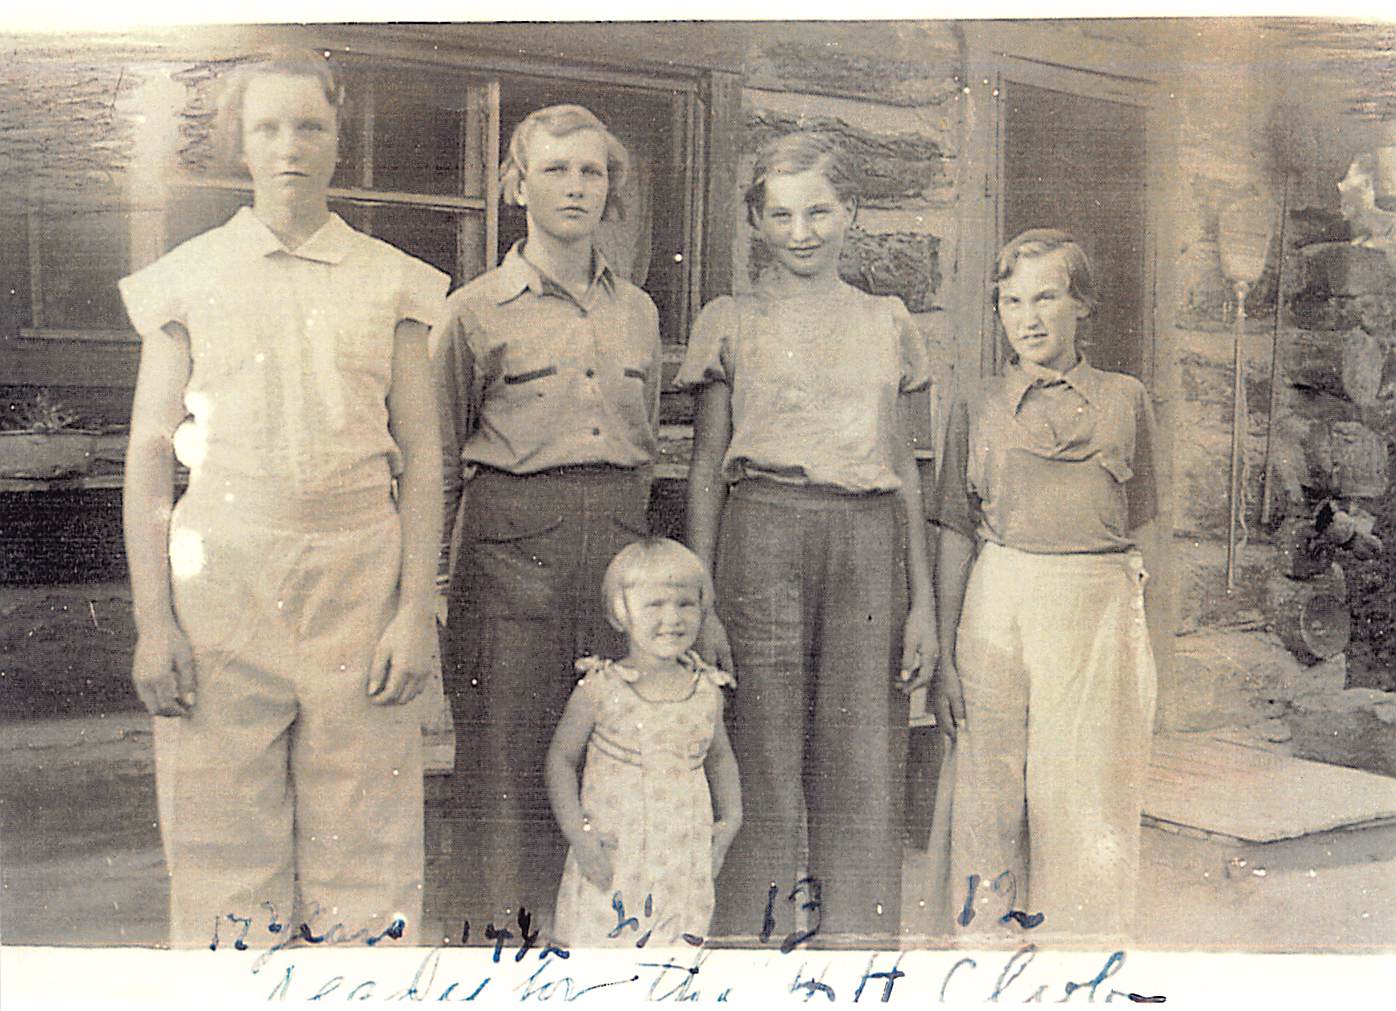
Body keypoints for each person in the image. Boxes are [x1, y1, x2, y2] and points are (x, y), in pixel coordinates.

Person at [118, 49, 447, 947]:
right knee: (222, 852)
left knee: (368, 853)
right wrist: (155, 621)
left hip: (359, 578)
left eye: (311, 126)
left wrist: (413, 611)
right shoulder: (190, 275)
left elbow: (424, 457)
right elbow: (149, 452)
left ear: (339, 141)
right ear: (239, 142)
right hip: (224, 581)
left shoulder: (392, 280)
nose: (289, 146)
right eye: (267, 127)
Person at [678, 132, 936, 945]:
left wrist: (923, 603)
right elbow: (706, 467)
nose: (801, 232)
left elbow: (906, 465)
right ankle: (754, 952)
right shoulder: (731, 320)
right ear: (756, 221)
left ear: (850, 212)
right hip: (761, 533)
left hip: (866, 543)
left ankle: (856, 956)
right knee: (760, 752)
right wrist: (703, 598)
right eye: (782, 214)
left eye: (819, 211)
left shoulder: (887, 322)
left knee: (862, 760)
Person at [433, 104, 662, 933]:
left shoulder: (638, 311)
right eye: (555, 169)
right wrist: (437, 582)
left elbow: (644, 446)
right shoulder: (474, 311)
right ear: (516, 185)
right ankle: (502, 949)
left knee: (611, 749)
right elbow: (440, 459)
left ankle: (599, 948)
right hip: (509, 555)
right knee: (505, 761)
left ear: (610, 188)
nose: (575, 187)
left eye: (592, 171)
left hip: (615, 552)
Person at [924, 228, 1159, 942]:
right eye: (1012, 301)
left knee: (1084, 796)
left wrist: (1152, 651)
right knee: (987, 793)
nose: (1028, 318)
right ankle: (982, 954)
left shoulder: (1125, 399)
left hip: (1095, 605)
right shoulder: (978, 402)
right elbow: (955, 531)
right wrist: (946, 656)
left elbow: (1148, 528)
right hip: (999, 600)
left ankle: (1080, 962)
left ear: (1081, 304)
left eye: (1047, 298)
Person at [544, 539, 742, 948]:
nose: (672, 618)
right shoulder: (601, 688)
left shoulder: (705, 689)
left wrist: (730, 821)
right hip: (614, 859)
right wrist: (579, 834)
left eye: (685, 604)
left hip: (681, 863)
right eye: (654, 605)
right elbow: (561, 760)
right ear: (620, 614)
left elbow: (720, 758)